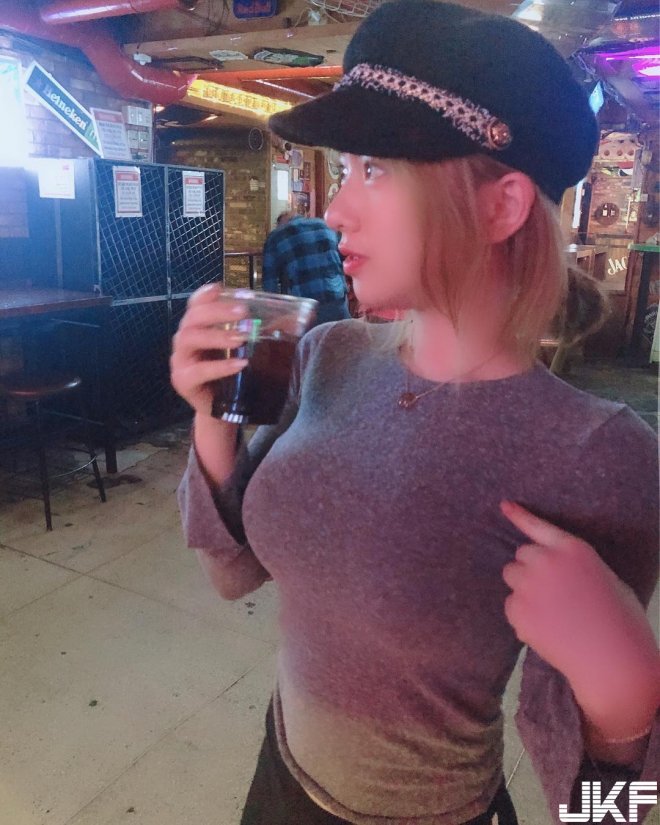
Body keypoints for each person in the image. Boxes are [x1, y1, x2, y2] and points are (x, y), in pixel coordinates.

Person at [171, 3, 660, 824]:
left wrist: (630, 700)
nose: (335, 211)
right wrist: (214, 416)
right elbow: (233, 573)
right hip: (277, 782)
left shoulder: (598, 453)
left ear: (501, 207)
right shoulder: (328, 354)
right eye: (346, 168)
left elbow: (604, 819)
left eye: (375, 170)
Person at [261, 211, 351, 325]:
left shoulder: (276, 237)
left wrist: (273, 313)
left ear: (280, 223)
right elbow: (346, 257)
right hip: (337, 297)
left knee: (310, 336)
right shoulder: (325, 225)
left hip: (305, 304)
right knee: (343, 333)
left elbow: (269, 281)